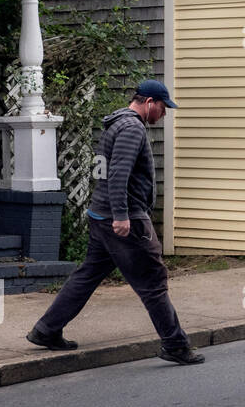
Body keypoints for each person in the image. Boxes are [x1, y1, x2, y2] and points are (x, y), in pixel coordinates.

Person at [27, 80, 205, 365]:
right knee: (153, 282)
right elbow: (119, 175)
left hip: (101, 216)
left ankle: (46, 330)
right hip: (124, 221)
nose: (164, 114)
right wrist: (122, 216)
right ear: (149, 103)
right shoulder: (132, 128)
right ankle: (175, 344)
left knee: (87, 276)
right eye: (162, 108)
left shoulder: (115, 124)